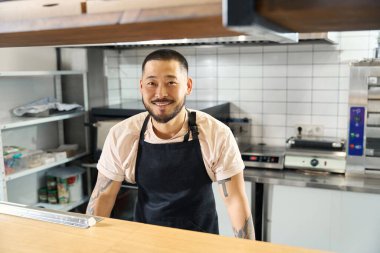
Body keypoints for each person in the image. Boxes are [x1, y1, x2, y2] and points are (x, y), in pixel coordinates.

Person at [86, 49, 254, 240]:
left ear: (188, 86)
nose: (161, 93)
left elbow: (235, 201)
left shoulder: (216, 133)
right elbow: (103, 197)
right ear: (141, 86)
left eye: (171, 82)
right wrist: (91, 244)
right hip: (144, 243)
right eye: (152, 83)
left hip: (201, 244)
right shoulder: (123, 134)